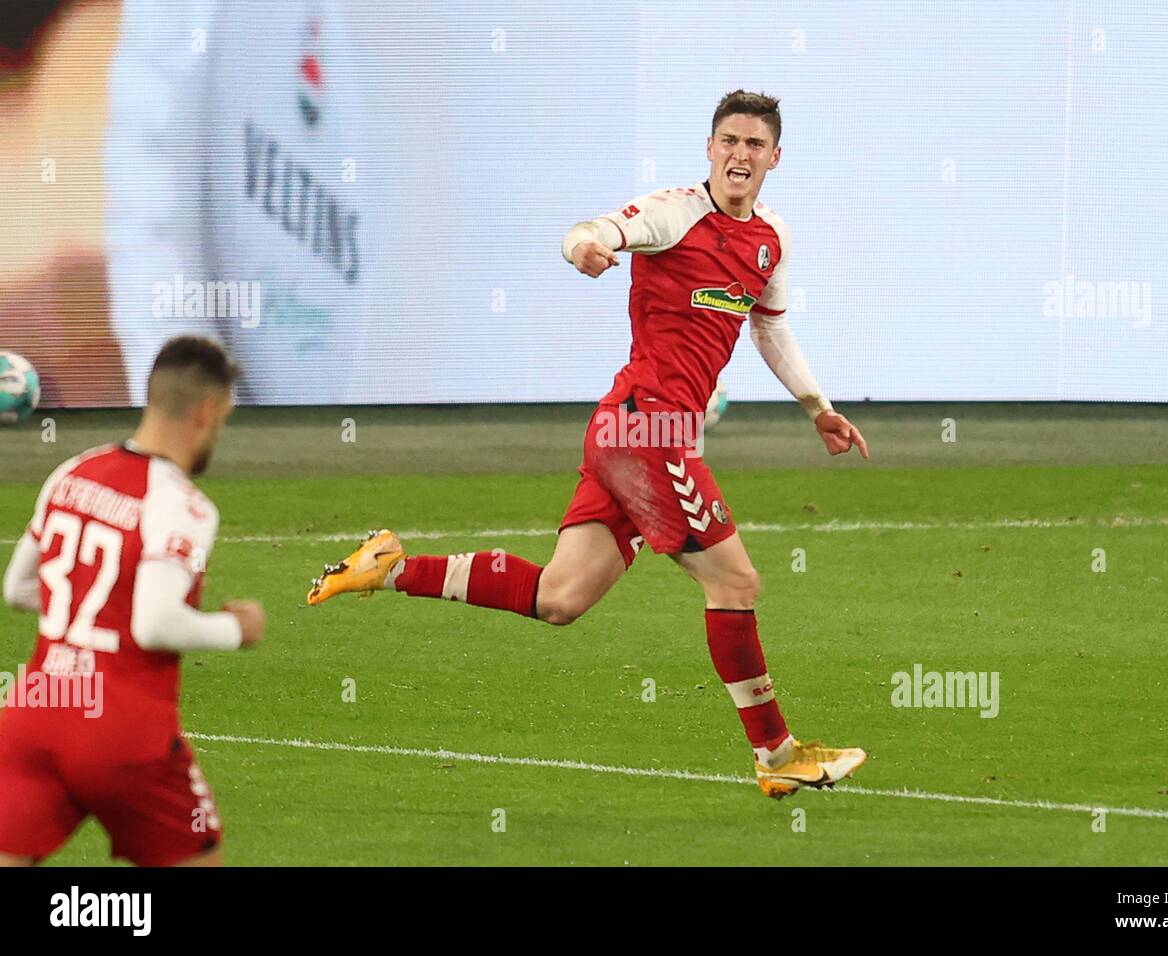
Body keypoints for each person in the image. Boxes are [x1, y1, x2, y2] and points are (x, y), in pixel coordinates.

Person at [307, 90, 869, 798]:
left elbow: (768, 327)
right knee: (736, 582)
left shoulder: (770, 241)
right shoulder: (673, 212)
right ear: (709, 148)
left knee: (559, 597)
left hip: (630, 433)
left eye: (754, 145)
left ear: (775, 158)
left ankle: (391, 566)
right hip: (645, 429)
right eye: (728, 140)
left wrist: (817, 406)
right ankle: (776, 754)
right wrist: (588, 250)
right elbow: (586, 229)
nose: (739, 155)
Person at [0, 335, 265, 866]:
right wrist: (237, 629)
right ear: (207, 412)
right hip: (122, 735)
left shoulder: (73, 471)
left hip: (35, 714)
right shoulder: (183, 503)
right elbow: (155, 623)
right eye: (225, 419)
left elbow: (17, 588)